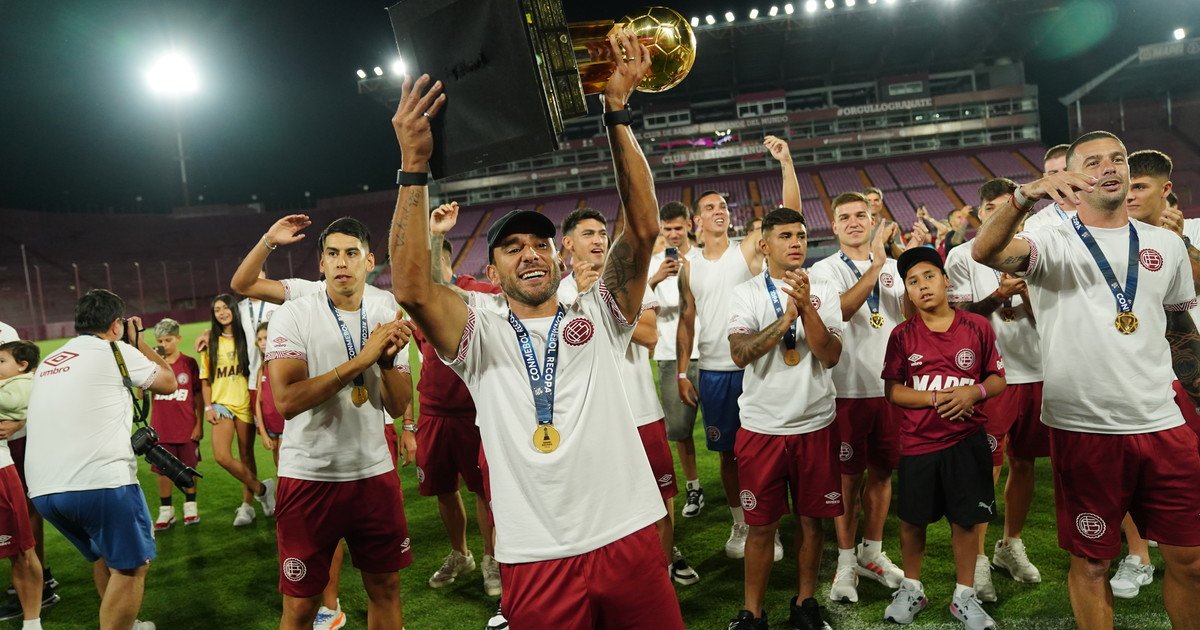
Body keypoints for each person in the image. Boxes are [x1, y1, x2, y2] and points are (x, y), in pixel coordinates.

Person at [390, 29, 685, 628]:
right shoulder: (478, 333)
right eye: (511, 247)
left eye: (539, 244)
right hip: (533, 555)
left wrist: (617, 114)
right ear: (492, 268)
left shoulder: (600, 314)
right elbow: (412, 289)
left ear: (557, 258)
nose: (529, 254)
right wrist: (414, 167)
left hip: (627, 532)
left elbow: (644, 227)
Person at [973, 130, 1200, 629]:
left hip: (1162, 423)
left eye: (1117, 157)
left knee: (1191, 560)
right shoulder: (1052, 241)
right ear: (1071, 178)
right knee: (1094, 563)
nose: (1109, 166)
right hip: (1086, 428)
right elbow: (987, 252)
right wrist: (1022, 195)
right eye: (1093, 161)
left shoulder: (1166, 245)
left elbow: (1180, 330)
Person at [229, 212, 415, 630]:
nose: (341, 262)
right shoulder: (295, 308)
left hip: (374, 474)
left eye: (352, 253)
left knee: (386, 590)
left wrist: (385, 365)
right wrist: (362, 360)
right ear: (321, 263)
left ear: (369, 262)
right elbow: (288, 401)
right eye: (332, 254)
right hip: (309, 477)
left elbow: (399, 404)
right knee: (301, 606)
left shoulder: (386, 307)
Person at [557, 206, 700, 586]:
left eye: (603, 233)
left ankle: (663, 567)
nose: (599, 240)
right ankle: (620, 574)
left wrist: (597, 301)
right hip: (591, 419)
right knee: (602, 504)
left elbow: (651, 335)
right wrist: (582, 300)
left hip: (640, 411)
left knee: (661, 496)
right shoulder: (556, 293)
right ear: (568, 243)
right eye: (588, 234)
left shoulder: (631, 282)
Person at [26, 289, 178, 630]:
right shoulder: (116, 349)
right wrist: (139, 342)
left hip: (44, 490)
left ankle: (129, 623)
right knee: (132, 567)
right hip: (100, 483)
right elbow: (167, 382)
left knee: (102, 556)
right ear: (115, 325)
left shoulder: (53, 359)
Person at [677, 134, 797, 560]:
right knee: (728, 454)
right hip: (712, 371)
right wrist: (680, 370)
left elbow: (789, 216)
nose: (720, 211)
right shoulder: (687, 265)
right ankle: (741, 524)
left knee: (766, 449)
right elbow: (687, 319)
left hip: (753, 365)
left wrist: (785, 163)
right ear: (696, 222)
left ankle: (770, 527)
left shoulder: (746, 249)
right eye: (710, 208)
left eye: (723, 206)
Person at [724, 208, 844, 630]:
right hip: (762, 428)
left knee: (812, 523)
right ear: (765, 245)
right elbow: (741, 353)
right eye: (786, 235)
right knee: (761, 527)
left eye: (802, 235)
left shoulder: (824, 289)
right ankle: (752, 613)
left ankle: (805, 605)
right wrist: (786, 318)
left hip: (814, 423)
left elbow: (829, 356)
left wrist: (807, 308)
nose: (796, 242)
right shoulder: (746, 294)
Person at [881, 246, 1006, 630]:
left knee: (966, 521)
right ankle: (912, 587)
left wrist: (975, 393)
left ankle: (963, 595)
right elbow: (894, 391)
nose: (922, 286)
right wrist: (937, 398)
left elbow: (997, 379)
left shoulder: (977, 327)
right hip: (919, 443)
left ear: (945, 280)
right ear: (908, 292)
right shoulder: (902, 335)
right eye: (913, 282)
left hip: (967, 440)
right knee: (912, 520)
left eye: (929, 276)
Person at [944, 178, 1048, 601]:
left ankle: (1011, 544)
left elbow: (1059, 317)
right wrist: (997, 295)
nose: (997, 212)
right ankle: (980, 559)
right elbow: (959, 317)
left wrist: (1029, 302)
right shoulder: (961, 255)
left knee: (1025, 464)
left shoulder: (1041, 252)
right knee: (985, 469)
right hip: (989, 378)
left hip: (1038, 370)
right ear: (980, 212)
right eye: (989, 206)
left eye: (1007, 205)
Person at [808, 192, 907, 602]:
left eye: (860, 216)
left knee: (883, 475)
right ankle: (846, 562)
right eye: (844, 217)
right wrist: (877, 268)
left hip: (890, 390)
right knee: (848, 482)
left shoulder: (898, 268)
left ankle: (873, 552)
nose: (853, 222)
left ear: (873, 220)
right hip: (846, 390)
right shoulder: (823, 270)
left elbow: (910, 318)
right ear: (833, 225)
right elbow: (840, 312)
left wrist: (892, 263)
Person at [422, 201, 502, 598]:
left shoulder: (478, 293)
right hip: (433, 412)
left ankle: (491, 559)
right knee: (442, 488)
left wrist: (436, 236)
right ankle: (460, 553)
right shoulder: (418, 308)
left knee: (483, 490)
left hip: (473, 412)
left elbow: (440, 284)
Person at [648, 201, 704, 518]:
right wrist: (655, 279)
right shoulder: (652, 264)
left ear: (688, 226)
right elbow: (636, 301)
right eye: (667, 228)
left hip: (710, 353)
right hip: (670, 355)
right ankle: (694, 487)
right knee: (680, 430)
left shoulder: (703, 258)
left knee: (730, 429)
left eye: (677, 228)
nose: (672, 233)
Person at [200, 294, 274, 527]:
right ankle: (262, 489)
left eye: (225, 308)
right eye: (216, 309)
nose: (221, 312)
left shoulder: (245, 337)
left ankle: (248, 505)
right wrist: (208, 406)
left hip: (244, 400)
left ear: (233, 309)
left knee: (246, 455)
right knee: (222, 456)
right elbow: (205, 379)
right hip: (221, 404)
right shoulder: (211, 342)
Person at [0, 339, 58, 621]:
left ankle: (33, 616)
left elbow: (27, 396)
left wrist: (22, 421)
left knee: (21, 545)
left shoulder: (7, 336)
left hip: (7, 459)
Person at [150, 319, 203, 530]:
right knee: (162, 470)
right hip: (161, 428)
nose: (164, 344)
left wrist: (198, 424)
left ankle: (190, 506)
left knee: (189, 467)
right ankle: (166, 510)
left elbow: (198, 393)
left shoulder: (188, 363)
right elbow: (141, 392)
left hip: (186, 427)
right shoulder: (153, 365)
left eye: (168, 340)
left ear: (178, 339)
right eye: (160, 340)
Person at [253, 322, 285, 469]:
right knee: (278, 465)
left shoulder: (283, 363)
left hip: (287, 424)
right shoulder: (262, 369)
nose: (263, 343)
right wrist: (263, 432)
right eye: (259, 339)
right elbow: (258, 403)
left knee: (286, 464)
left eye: (266, 338)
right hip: (271, 426)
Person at [1021, 144, 1073, 232]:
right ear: (1045, 178)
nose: (1061, 178)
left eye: (1067, 170)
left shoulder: (1103, 205)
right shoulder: (1036, 223)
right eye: (1054, 174)